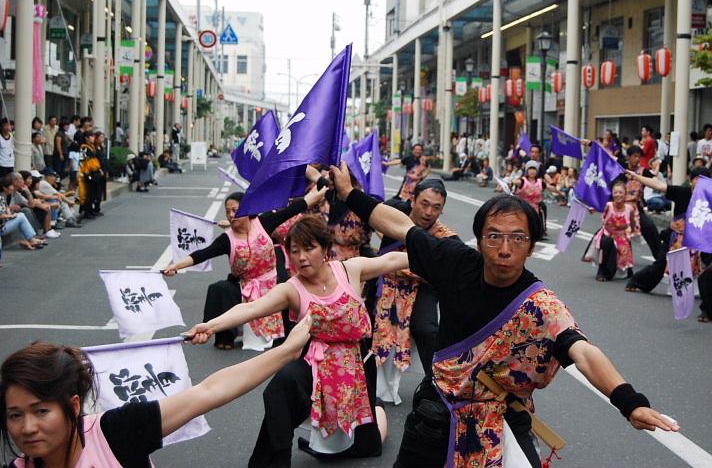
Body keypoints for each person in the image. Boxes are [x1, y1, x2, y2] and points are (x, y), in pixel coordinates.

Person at [328, 161, 678, 468]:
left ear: (531, 244)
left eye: (517, 238)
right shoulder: (454, 261)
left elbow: (582, 351)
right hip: (438, 413)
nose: (505, 249)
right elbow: (400, 227)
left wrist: (629, 402)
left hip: (503, 420)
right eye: (494, 236)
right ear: (479, 239)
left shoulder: (540, 305)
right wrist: (348, 193)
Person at [187, 216, 405, 466]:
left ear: (325, 249)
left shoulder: (349, 269)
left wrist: (433, 251)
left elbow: (390, 260)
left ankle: (376, 408)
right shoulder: (291, 289)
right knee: (280, 388)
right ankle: (273, 460)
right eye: (294, 251)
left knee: (369, 445)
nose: (301, 257)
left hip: (357, 365)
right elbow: (250, 309)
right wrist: (210, 325)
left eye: (309, 248)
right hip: (317, 363)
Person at [0, 318, 312, 468]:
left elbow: (210, 391)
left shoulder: (114, 432)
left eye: (41, 411)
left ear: (73, 405)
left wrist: (286, 352)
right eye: (15, 415)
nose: (27, 427)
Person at [163, 185, 328, 350]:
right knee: (220, 289)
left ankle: (291, 335)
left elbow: (293, 209)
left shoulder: (263, 223)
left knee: (290, 288)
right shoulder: (226, 239)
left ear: (248, 209)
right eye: (228, 212)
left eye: (235, 210)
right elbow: (202, 254)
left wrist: (317, 191)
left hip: (272, 282)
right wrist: (177, 266)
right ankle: (223, 337)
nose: (231, 215)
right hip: (245, 286)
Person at [371, 179, 458, 405]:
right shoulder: (393, 214)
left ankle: (435, 386)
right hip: (385, 280)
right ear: (413, 200)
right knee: (360, 322)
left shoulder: (447, 238)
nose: (429, 212)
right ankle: (359, 379)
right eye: (424, 204)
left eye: (436, 207)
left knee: (428, 330)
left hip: (421, 286)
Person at [624, 167, 711, 293]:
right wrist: (637, 177)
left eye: (704, 180)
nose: (700, 183)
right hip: (676, 238)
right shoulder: (682, 192)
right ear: (691, 181)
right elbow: (658, 185)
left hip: (699, 240)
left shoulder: (711, 199)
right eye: (697, 179)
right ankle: (636, 281)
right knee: (659, 266)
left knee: (711, 265)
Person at [587, 181, 639, 281]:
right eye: (615, 193)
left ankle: (628, 269)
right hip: (607, 235)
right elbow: (598, 207)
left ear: (625, 194)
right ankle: (601, 271)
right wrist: (593, 209)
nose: (618, 195)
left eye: (620, 192)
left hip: (621, 236)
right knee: (607, 242)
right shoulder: (609, 205)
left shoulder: (629, 208)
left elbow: (632, 222)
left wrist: (632, 232)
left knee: (626, 243)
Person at [622, 146, 660, 257]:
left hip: (636, 208)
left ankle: (660, 258)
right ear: (628, 157)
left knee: (650, 227)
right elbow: (606, 158)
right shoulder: (620, 168)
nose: (637, 159)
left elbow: (654, 180)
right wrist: (590, 144)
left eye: (639, 156)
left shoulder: (643, 171)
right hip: (619, 208)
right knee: (606, 234)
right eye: (635, 156)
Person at [0, 174, 46, 250]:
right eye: (10, 185)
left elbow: (31, 205)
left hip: (4, 224)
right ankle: (31, 239)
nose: (12, 187)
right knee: (21, 215)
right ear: (5, 188)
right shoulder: (1, 198)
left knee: (22, 213)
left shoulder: (11, 195)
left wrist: (27, 192)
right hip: (1, 227)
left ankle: (30, 239)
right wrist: (10, 216)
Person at [512, 160, 547, 237]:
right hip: (523, 205)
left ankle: (542, 228)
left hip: (535, 206)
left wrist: (560, 192)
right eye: (530, 169)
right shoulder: (523, 181)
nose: (532, 171)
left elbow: (549, 187)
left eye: (534, 169)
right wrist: (514, 181)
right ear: (527, 171)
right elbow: (515, 181)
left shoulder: (540, 182)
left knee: (543, 207)